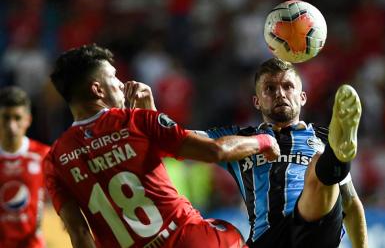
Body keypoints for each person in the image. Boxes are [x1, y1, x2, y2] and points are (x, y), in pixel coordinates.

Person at [43, 44, 281, 248]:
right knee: (236, 234)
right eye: (114, 77)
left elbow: (80, 234)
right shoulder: (136, 121)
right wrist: (264, 140)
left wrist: (149, 112)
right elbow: (215, 151)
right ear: (97, 89)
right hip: (187, 239)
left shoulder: (55, 160)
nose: (120, 82)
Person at [202, 57, 368, 248]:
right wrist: (159, 122)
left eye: (288, 86)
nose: (280, 94)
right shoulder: (240, 138)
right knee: (321, 165)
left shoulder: (322, 138)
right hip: (267, 240)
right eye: (270, 89)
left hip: (314, 229)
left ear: (303, 97)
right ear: (256, 101)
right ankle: (338, 157)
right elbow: (181, 138)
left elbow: (351, 203)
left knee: (318, 168)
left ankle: (340, 154)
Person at [0, 86, 50, 248]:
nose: (11, 125)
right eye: (5, 118)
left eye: (17, 118)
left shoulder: (44, 155)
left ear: (28, 120)